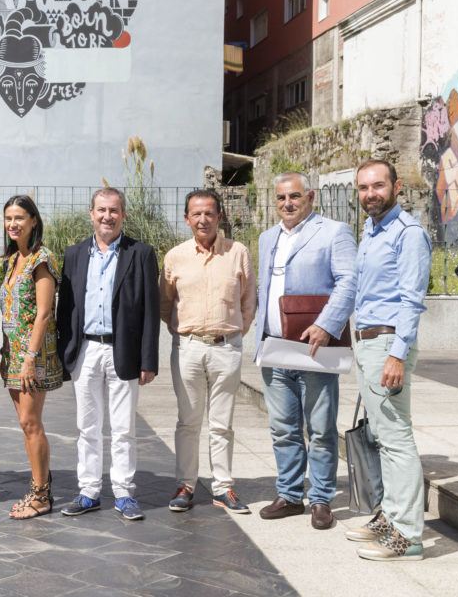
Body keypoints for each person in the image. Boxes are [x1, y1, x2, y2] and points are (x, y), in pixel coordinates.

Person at [255, 173, 357, 530]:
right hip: (274, 347)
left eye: (294, 196)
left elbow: (349, 281)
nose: (287, 203)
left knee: (321, 428)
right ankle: (289, 495)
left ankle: (322, 499)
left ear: (310, 197)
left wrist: (328, 324)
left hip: (316, 349)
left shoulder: (334, 232)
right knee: (283, 429)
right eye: (281, 197)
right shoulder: (267, 237)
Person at [56, 188, 160, 520]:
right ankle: (88, 491)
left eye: (114, 210)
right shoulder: (74, 254)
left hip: (123, 350)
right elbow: (66, 308)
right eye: (101, 210)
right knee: (87, 426)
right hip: (85, 348)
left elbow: (149, 311)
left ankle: (124, 492)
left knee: (123, 427)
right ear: (91, 213)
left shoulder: (141, 254)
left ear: (123, 215)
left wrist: (148, 360)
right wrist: (64, 354)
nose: (107, 216)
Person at [346, 160, 431, 562]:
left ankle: (409, 536)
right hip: (367, 342)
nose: (370, 194)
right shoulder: (372, 230)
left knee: (397, 439)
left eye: (378, 186)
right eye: (363, 188)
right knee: (381, 436)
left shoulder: (408, 233)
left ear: (396, 187)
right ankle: (391, 517)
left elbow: (411, 299)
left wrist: (397, 354)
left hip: (387, 344)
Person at [160, 189, 256, 514]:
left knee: (222, 423)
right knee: (188, 421)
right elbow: (165, 302)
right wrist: (182, 332)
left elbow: (249, 300)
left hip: (226, 348)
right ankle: (186, 485)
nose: (203, 219)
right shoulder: (175, 257)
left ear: (219, 217)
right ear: (187, 219)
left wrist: (233, 334)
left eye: (209, 213)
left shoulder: (237, 252)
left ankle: (223, 488)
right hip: (187, 347)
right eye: (196, 214)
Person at [0, 195, 63, 519]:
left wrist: (29, 358)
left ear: (33, 221)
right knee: (26, 425)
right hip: (13, 354)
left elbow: (42, 314)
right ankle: (39, 485)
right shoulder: (13, 259)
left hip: (32, 356)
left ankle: (41, 496)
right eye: (9, 218)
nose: (13, 224)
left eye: (20, 218)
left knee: (30, 422)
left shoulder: (42, 258)